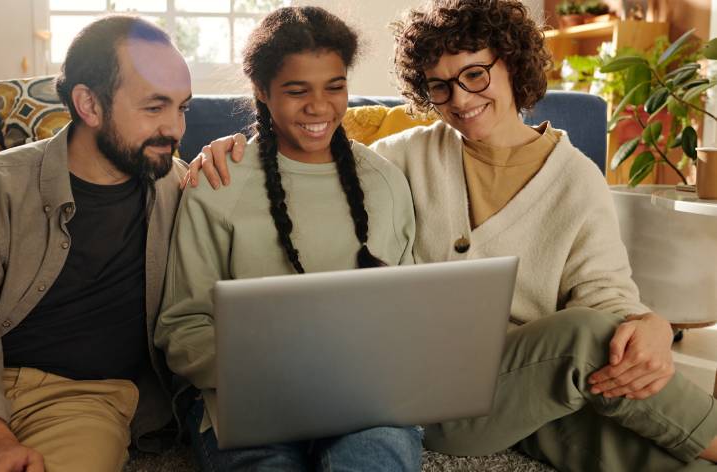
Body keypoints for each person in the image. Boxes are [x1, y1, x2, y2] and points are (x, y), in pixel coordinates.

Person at [182, 1, 717, 470]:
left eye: (475, 75)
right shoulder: (404, 155)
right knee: (585, 334)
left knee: (668, 457)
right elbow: (318, 140)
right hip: (425, 389)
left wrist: (646, 321)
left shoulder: (576, 177)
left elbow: (606, 293)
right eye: (440, 85)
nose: (460, 99)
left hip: (525, 387)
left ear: (512, 63)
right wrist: (236, 142)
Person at [0, 16, 189, 472]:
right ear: (89, 104)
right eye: (154, 108)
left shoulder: (180, 186)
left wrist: (230, 151)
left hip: (83, 401)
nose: (176, 129)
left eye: (182, 107)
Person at [155, 6, 422, 471]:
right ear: (262, 90)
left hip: (361, 399)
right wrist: (274, 374)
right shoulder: (219, 183)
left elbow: (407, 312)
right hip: (245, 398)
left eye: (335, 87)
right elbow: (183, 328)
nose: (319, 107)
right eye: (297, 91)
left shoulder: (384, 181)